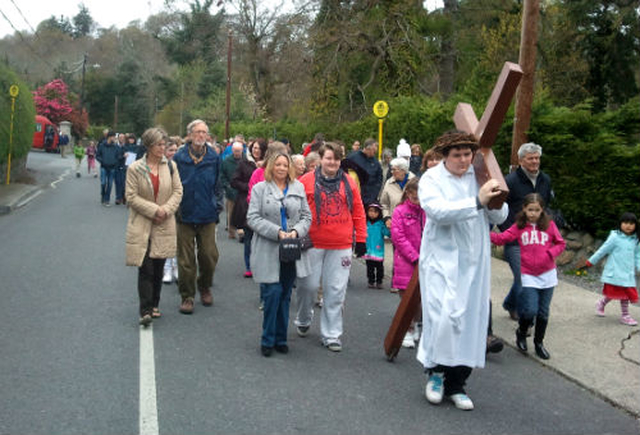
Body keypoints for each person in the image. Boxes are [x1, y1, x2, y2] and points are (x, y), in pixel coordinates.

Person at [418, 130, 507, 411]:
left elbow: (500, 217)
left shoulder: (478, 177)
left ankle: (458, 383)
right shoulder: (431, 179)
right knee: (443, 317)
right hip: (441, 261)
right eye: (457, 155)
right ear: (445, 156)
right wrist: (477, 202)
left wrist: (496, 200)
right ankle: (436, 374)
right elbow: (438, 212)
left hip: (473, 262)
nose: (463, 160)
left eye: (467, 154)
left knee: (470, 321)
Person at [295, 142, 367, 352]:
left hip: (341, 244)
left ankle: (332, 334)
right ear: (321, 159)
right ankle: (303, 318)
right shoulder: (305, 181)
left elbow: (358, 211)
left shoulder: (349, 183)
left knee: (335, 290)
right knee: (307, 286)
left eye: (336, 159)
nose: (332, 162)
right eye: (329, 158)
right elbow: (295, 209)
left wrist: (361, 238)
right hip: (312, 242)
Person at [247, 152, 312, 356]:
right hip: (268, 248)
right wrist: (276, 232)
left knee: (285, 295)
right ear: (271, 167)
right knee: (272, 294)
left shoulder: (298, 187)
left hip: (291, 250)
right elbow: (252, 218)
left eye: (285, 165)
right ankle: (267, 339)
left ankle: (281, 339)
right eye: (278, 164)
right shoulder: (260, 189)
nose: (282, 168)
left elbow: (306, 216)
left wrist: (295, 232)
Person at [490, 193, 566, 359]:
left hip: (547, 274)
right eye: (530, 209)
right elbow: (502, 238)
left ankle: (539, 343)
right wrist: (485, 233)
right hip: (529, 274)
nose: (533, 213)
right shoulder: (519, 227)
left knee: (543, 312)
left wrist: (550, 254)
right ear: (524, 209)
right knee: (530, 310)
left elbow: (561, 243)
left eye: (537, 210)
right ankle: (521, 332)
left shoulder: (549, 226)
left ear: (542, 211)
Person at [125, 127, 183, 326]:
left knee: (158, 266)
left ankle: (155, 304)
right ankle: (145, 310)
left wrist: (165, 211)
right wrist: (154, 210)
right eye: (158, 144)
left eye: (163, 144)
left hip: (164, 222)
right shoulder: (135, 168)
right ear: (148, 146)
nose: (162, 148)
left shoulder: (171, 167)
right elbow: (131, 196)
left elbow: (178, 191)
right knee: (145, 266)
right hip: (142, 222)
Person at [498, 142, 554, 321]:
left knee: (529, 276)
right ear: (521, 160)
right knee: (523, 277)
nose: (535, 161)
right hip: (515, 241)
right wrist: (509, 231)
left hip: (538, 240)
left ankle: (510, 303)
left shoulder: (545, 180)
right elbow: (499, 209)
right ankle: (523, 314)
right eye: (531, 158)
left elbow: (546, 207)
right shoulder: (510, 181)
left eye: (537, 158)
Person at [173, 119, 223, 314]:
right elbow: (174, 183)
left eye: (204, 132)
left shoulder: (213, 157)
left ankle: (205, 285)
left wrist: (217, 204)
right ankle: (187, 296)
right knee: (185, 260)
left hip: (207, 213)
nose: (201, 135)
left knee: (209, 255)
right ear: (190, 135)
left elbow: (219, 184)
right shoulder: (179, 157)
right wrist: (175, 208)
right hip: (185, 214)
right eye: (197, 132)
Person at [583, 212, 640, 326]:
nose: (628, 226)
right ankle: (625, 316)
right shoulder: (615, 237)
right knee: (617, 293)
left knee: (624, 293)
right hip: (615, 272)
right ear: (620, 224)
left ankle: (603, 304)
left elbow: (638, 256)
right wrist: (591, 261)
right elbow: (603, 250)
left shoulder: (636, 240)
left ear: (635, 225)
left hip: (627, 273)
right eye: (625, 222)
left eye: (631, 223)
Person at [391, 178, 425, 349]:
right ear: (408, 194)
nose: (418, 201)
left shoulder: (427, 212)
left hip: (424, 260)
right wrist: (414, 256)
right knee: (406, 297)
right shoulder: (400, 211)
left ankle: (417, 323)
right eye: (415, 197)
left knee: (420, 299)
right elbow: (398, 236)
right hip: (406, 261)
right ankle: (408, 329)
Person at [231, 139, 268, 278]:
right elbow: (234, 181)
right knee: (249, 237)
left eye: (259, 148)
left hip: (265, 204)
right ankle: (249, 266)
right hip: (247, 203)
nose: (256, 151)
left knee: (262, 238)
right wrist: (250, 187)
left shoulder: (269, 165)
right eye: (254, 148)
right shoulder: (244, 163)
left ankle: (261, 264)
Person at [162, 137, 181, 284]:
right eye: (170, 150)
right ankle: (167, 268)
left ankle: (175, 266)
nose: (173, 153)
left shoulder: (179, 165)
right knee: (165, 239)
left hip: (178, 205)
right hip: (163, 206)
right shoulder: (160, 166)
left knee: (176, 238)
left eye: (175, 150)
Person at [380, 158, 416, 229]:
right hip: (395, 224)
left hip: (413, 224)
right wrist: (387, 218)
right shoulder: (389, 183)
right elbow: (384, 204)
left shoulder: (415, 182)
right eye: (391, 169)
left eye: (394, 169)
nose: (392, 172)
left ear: (403, 170)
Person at [346, 138, 383, 206]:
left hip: (369, 199)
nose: (374, 154)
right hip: (354, 196)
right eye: (373, 151)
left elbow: (379, 179)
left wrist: (373, 196)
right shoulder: (352, 157)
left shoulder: (376, 163)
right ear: (367, 148)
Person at [220, 142, 244, 239]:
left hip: (242, 190)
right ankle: (231, 231)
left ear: (242, 150)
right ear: (232, 150)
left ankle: (241, 230)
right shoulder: (226, 161)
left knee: (242, 212)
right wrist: (227, 186)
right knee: (231, 212)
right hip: (231, 191)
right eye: (235, 151)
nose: (237, 153)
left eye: (238, 151)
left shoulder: (246, 160)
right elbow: (222, 176)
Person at [363, 203, 389, 289]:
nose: (372, 213)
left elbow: (386, 233)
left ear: (379, 213)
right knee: (369, 267)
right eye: (370, 211)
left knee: (379, 267)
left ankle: (379, 281)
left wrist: (390, 229)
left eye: (375, 212)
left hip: (378, 249)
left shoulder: (381, 224)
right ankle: (371, 280)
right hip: (368, 249)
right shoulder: (365, 223)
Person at [96, 130, 122, 207]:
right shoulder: (101, 146)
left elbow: (119, 156)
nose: (115, 138)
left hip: (112, 168)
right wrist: (102, 161)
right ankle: (103, 195)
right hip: (103, 167)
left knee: (110, 184)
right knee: (103, 183)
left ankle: (107, 200)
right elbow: (97, 155)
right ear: (110, 137)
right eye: (114, 137)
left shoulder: (116, 146)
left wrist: (116, 160)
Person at [115, 133, 128, 205]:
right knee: (118, 183)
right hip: (117, 166)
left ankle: (123, 197)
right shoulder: (115, 147)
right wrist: (123, 156)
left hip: (125, 167)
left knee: (124, 183)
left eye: (123, 137)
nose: (121, 139)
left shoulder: (126, 147)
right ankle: (118, 198)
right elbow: (116, 157)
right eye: (120, 137)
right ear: (118, 138)